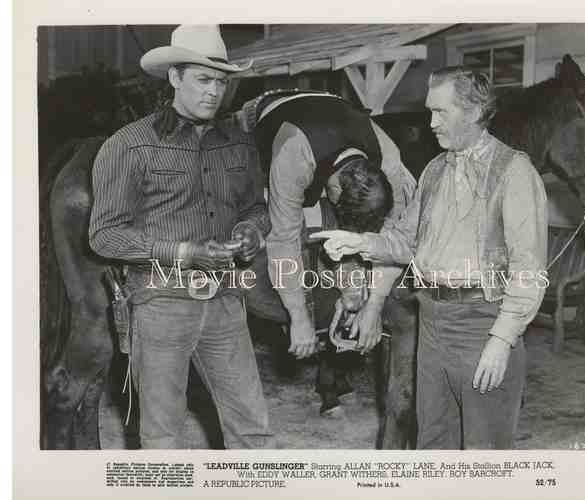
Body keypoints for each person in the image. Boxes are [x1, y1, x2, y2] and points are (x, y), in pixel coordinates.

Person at [313, 68, 548, 449]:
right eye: (430, 112)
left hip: (481, 321)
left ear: (472, 112)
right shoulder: (435, 170)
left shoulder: (514, 171)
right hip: (431, 321)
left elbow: (530, 269)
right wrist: (359, 243)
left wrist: (502, 340)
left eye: (440, 112)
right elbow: (407, 240)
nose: (431, 123)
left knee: (482, 452)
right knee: (431, 444)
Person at [88, 25, 273, 449]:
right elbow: (104, 236)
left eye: (221, 82)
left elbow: (256, 209)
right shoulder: (130, 146)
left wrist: (251, 231)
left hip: (225, 302)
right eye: (203, 79)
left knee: (253, 428)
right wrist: (184, 252)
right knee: (162, 433)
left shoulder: (238, 144)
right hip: (159, 302)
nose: (214, 92)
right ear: (174, 78)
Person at [238, 91, 419, 438]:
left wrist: (370, 299)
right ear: (331, 191)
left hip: (334, 115)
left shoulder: (389, 157)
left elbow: (397, 236)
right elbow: (284, 240)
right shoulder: (293, 155)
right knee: (253, 208)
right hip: (263, 119)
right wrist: (300, 320)